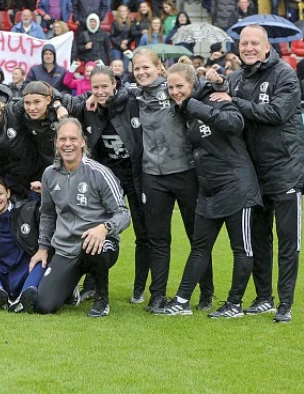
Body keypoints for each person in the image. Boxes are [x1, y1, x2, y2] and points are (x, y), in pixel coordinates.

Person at [89, 48, 208, 312]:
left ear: (160, 69)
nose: (141, 73)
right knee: (157, 238)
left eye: (147, 68)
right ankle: (157, 296)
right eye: (137, 68)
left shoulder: (173, 89)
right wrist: (90, 98)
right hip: (152, 176)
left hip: (185, 172)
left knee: (195, 234)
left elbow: (200, 89)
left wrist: (219, 84)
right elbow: (110, 94)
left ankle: (207, 293)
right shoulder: (134, 95)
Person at [209, 25, 304, 323]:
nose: (248, 48)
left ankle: (285, 303)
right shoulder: (235, 78)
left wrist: (234, 101)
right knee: (260, 238)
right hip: (253, 173)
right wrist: (216, 84)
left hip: (285, 170)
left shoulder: (285, 75)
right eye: (243, 43)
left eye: (254, 43)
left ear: (266, 47)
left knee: (288, 241)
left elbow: (276, 114)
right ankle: (264, 297)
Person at [154, 63, 259, 318]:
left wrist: (195, 105)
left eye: (180, 86)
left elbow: (234, 123)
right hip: (209, 190)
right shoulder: (183, 110)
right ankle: (181, 302)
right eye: (171, 87)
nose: (176, 92)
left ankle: (234, 304)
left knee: (241, 248)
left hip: (237, 185)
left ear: (193, 84)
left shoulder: (214, 98)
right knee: (199, 248)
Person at [62, 67, 148, 302]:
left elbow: (136, 88)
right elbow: (64, 100)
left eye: (104, 87)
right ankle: (92, 283)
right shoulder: (89, 107)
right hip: (106, 176)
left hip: (135, 175)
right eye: (95, 87)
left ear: (115, 84)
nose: (100, 92)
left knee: (143, 232)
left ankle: (140, 287)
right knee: (95, 227)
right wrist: (73, 103)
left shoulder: (130, 99)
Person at [33, 118, 130, 316]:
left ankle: (102, 299)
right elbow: (48, 214)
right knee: (44, 306)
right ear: (56, 143)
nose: (68, 144)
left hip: (98, 245)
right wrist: (43, 248)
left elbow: (123, 213)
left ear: (83, 141)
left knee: (93, 244)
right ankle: (71, 289)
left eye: (73, 139)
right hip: (65, 248)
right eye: (63, 139)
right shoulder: (49, 174)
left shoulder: (99, 173)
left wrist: (104, 228)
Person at [0, 176, 44, 312]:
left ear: (8, 193)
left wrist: (43, 194)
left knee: (44, 256)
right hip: (0, 272)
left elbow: (46, 212)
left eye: (0, 194)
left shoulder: (25, 208)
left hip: (24, 269)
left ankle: (24, 297)